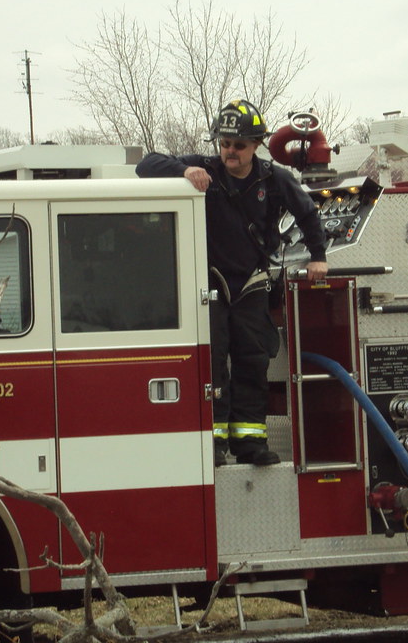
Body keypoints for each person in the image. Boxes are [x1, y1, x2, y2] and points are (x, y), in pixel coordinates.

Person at [136, 99, 328, 466]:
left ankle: (251, 444)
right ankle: (214, 444)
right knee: (212, 364)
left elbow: (307, 213)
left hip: (252, 282)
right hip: (212, 283)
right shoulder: (205, 168)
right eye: (224, 143)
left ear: (256, 145)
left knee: (252, 363)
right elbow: (146, 165)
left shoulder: (273, 179)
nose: (229, 151)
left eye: (238, 145)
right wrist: (184, 170)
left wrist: (318, 257)